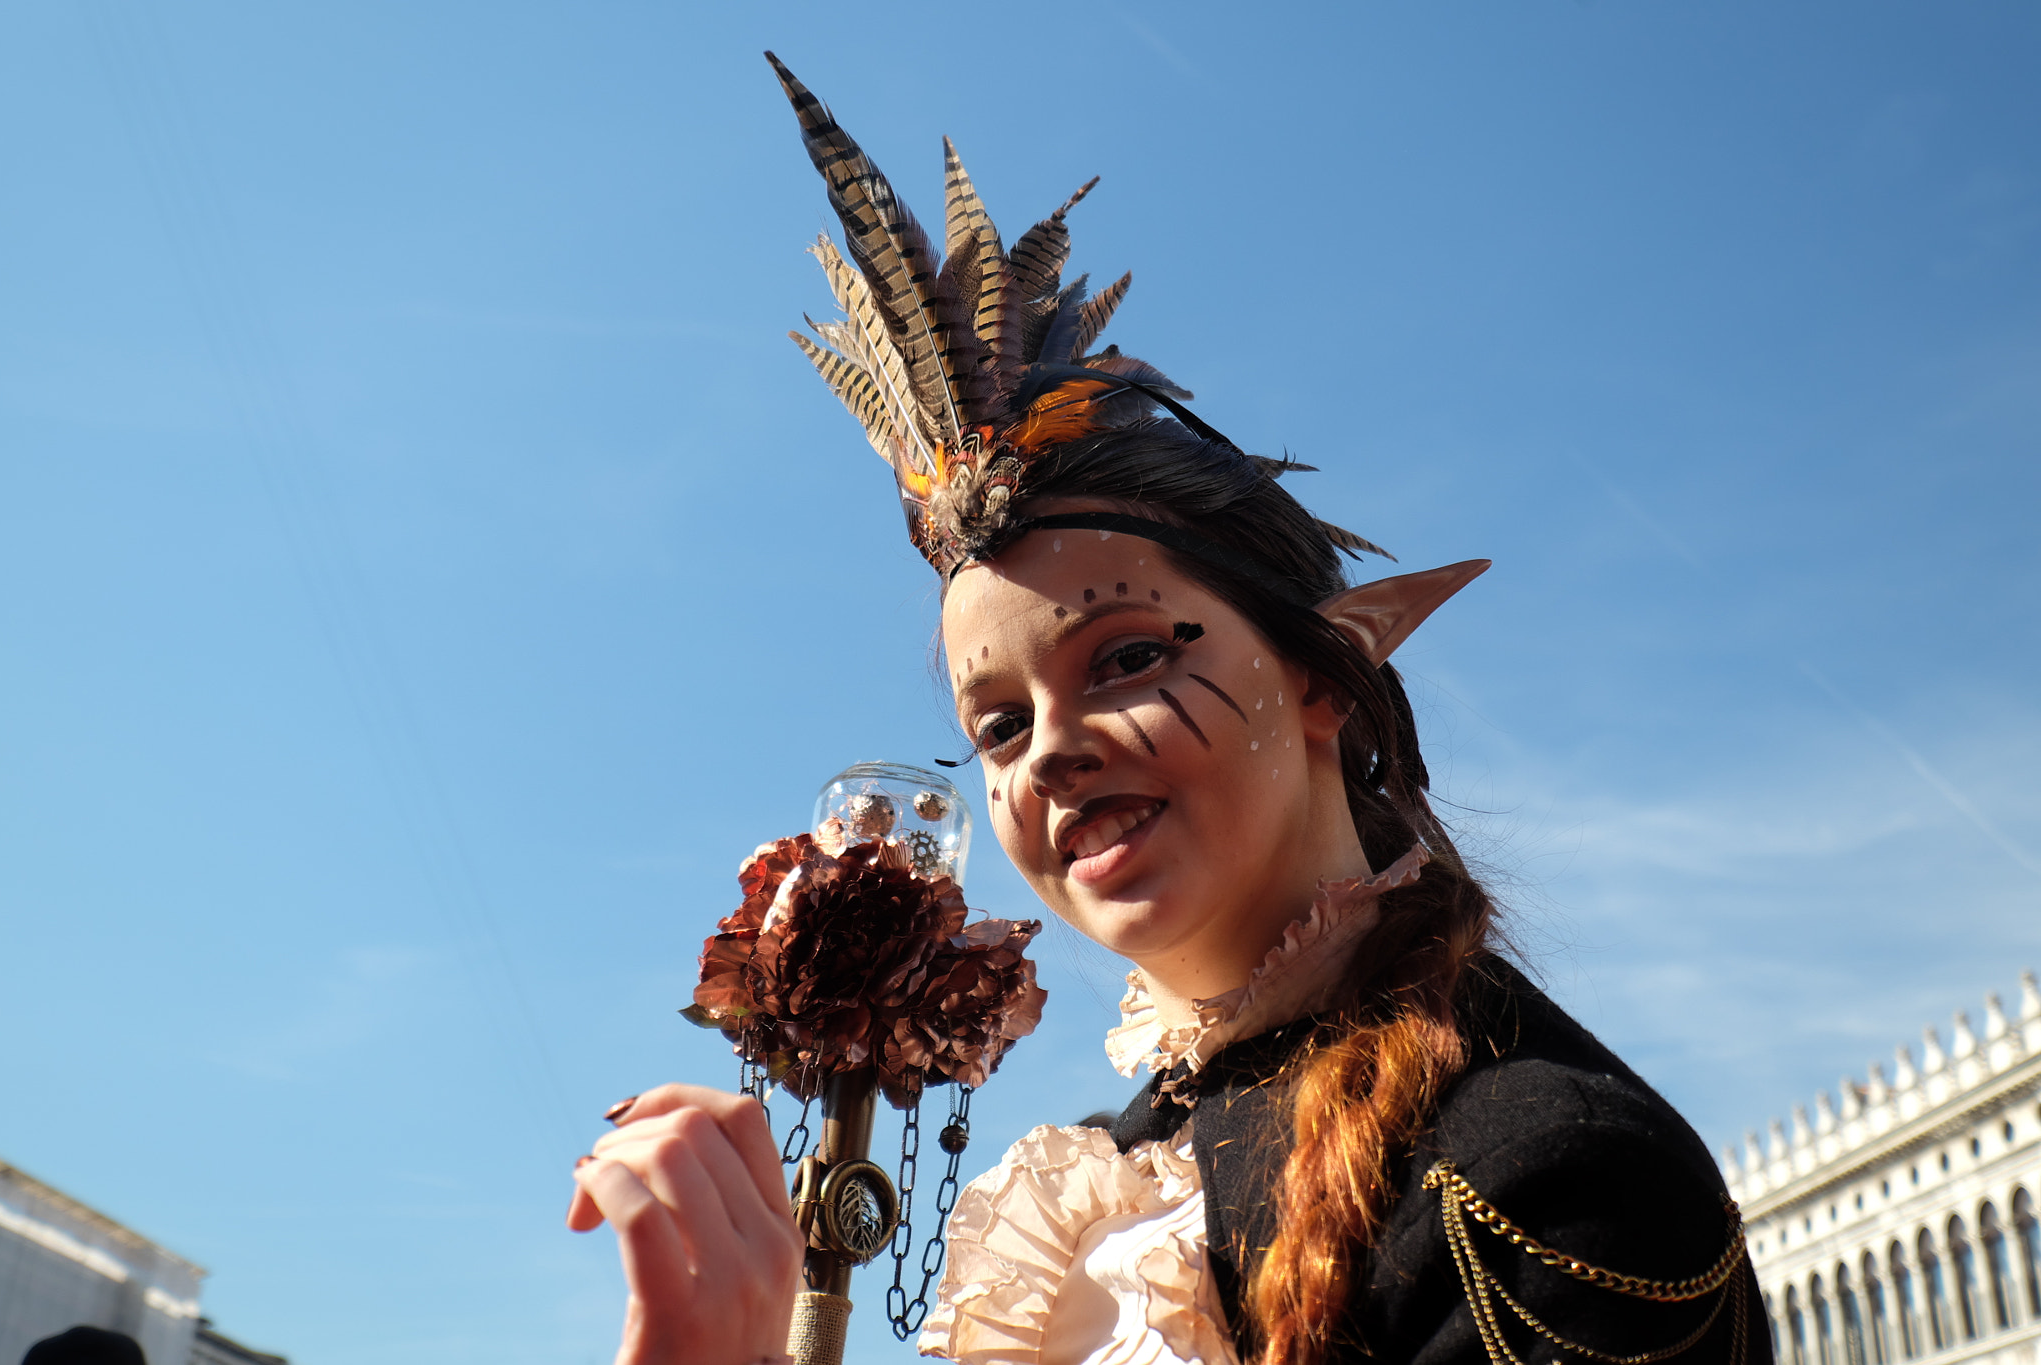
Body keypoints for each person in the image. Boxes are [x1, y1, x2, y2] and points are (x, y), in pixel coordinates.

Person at [564, 53, 1770, 1365]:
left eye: (1128, 657)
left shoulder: (1544, 1175)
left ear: (1321, 673)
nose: (1054, 754)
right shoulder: (1105, 1187)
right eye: (1000, 727)